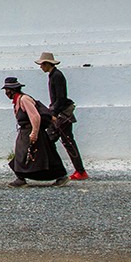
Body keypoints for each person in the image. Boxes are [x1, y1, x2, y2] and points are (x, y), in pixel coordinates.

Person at [2, 76, 67, 187]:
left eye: (7, 90)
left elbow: (35, 117)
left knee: (42, 155)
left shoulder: (24, 99)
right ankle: (21, 177)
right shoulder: (17, 101)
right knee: (23, 154)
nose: (6, 93)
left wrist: (34, 133)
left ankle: (60, 176)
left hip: (31, 130)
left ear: (13, 90)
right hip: (24, 131)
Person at [35, 51, 88, 181]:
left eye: (42, 64)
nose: (41, 67)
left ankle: (79, 171)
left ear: (47, 64)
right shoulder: (54, 75)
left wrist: (53, 113)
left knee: (66, 142)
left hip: (61, 115)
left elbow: (60, 98)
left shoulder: (56, 76)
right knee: (58, 141)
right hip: (60, 113)